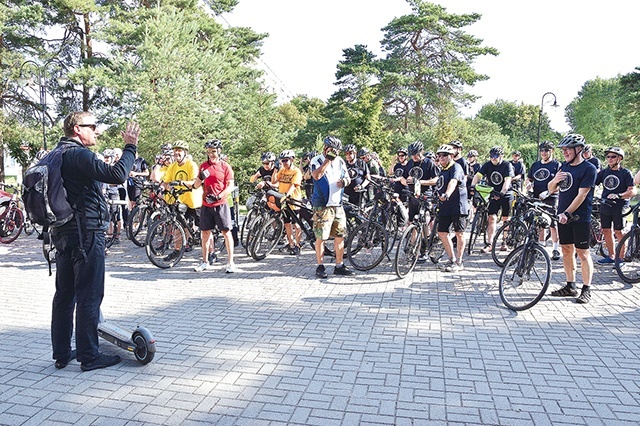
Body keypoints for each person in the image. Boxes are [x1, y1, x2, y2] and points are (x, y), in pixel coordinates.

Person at [51, 111, 140, 371]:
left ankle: (62, 353)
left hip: (63, 232)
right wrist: (130, 146)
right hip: (86, 231)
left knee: (65, 294)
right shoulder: (79, 154)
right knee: (89, 294)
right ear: (77, 129)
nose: (97, 131)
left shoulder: (56, 154)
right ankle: (89, 356)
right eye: (93, 126)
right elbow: (117, 175)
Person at [548, 134, 597, 304]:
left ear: (579, 149)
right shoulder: (564, 167)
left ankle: (586, 289)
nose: (565, 152)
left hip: (579, 217)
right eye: (563, 150)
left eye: (568, 149)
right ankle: (570, 285)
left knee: (583, 253)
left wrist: (567, 213)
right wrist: (554, 180)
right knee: (566, 250)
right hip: (563, 217)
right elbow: (551, 189)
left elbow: (582, 194)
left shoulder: (589, 169)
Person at [310, 136, 354, 278]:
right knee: (321, 237)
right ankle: (320, 266)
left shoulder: (341, 161)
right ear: (325, 148)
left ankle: (339, 265)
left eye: (337, 151)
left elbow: (348, 177)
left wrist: (345, 182)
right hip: (322, 205)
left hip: (338, 204)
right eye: (332, 150)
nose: (335, 153)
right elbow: (316, 175)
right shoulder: (316, 160)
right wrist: (327, 160)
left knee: (340, 236)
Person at [191, 139, 236, 273]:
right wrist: (197, 180)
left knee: (226, 233)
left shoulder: (225, 166)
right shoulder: (203, 166)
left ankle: (230, 262)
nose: (211, 154)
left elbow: (230, 186)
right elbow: (196, 184)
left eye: (214, 152)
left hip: (220, 204)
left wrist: (219, 196)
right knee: (205, 233)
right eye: (209, 152)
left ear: (219, 151)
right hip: (206, 204)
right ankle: (204, 262)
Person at [161, 140, 203, 258]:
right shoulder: (172, 166)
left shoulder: (191, 165)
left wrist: (182, 183)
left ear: (185, 152)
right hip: (181, 199)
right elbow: (166, 182)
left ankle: (210, 252)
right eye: (175, 151)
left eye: (179, 151)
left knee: (204, 228)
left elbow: (195, 181)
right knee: (178, 224)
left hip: (195, 200)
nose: (176, 153)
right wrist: (165, 187)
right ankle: (177, 250)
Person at [595, 147, 636, 264]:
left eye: (613, 157)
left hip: (620, 206)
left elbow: (633, 191)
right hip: (605, 206)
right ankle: (611, 256)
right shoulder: (604, 172)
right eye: (608, 156)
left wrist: (619, 195)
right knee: (606, 230)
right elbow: (592, 183)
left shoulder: (625, 173)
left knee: (619, 232)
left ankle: (621, 258)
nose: (610, 159)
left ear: (619, 158)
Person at [471, 146, 514, 254]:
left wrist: (502, 193)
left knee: (506, 219)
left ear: (501, 156)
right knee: (492, 218)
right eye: (491, 156)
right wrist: (472, 185)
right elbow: (478, 175)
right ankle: (490, 244)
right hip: (493, 193)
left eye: (496, 156)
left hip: (506, 194)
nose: (493, 158)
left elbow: (507, 181)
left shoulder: (507, 165)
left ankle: (504, 242)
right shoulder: (487, 165)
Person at [434, 145, 468, 272]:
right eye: (439, 155)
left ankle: (459, 262)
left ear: (451, 156)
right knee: (442, 232)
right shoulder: (442, 169)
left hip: (458, 205)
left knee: (459, 233)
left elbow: (453, 182)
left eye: (444, 155)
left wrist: (447, 194)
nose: (441, 157)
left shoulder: (456, 167)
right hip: (445, 205)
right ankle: (451, 259)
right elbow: (438, 184)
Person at [526, 141, 562, 260]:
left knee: (553, 223)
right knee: (540, 222)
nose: (544, 153)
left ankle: (556, 249)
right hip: (537, 196)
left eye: (546, 150)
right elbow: (529, 178)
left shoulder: (557, 165)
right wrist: (529, 184)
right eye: (542, 150)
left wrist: (549, 192)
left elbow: (560, 183)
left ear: (552, 151)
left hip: (551, 197)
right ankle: (541, 247)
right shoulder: (536, 165)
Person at [272, 149, 304, 255]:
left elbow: (294, 185)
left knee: (296, 225)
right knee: (287, 224)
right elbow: (274, 181)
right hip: (284, 200)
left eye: (286, 160)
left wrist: (287, 195)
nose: (284, 163)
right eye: (282, 161)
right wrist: (275, 170)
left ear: (292, 160)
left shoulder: (296, 171)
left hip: (294, 200)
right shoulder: (283, 170)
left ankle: (298, 245)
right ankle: (291, 244)